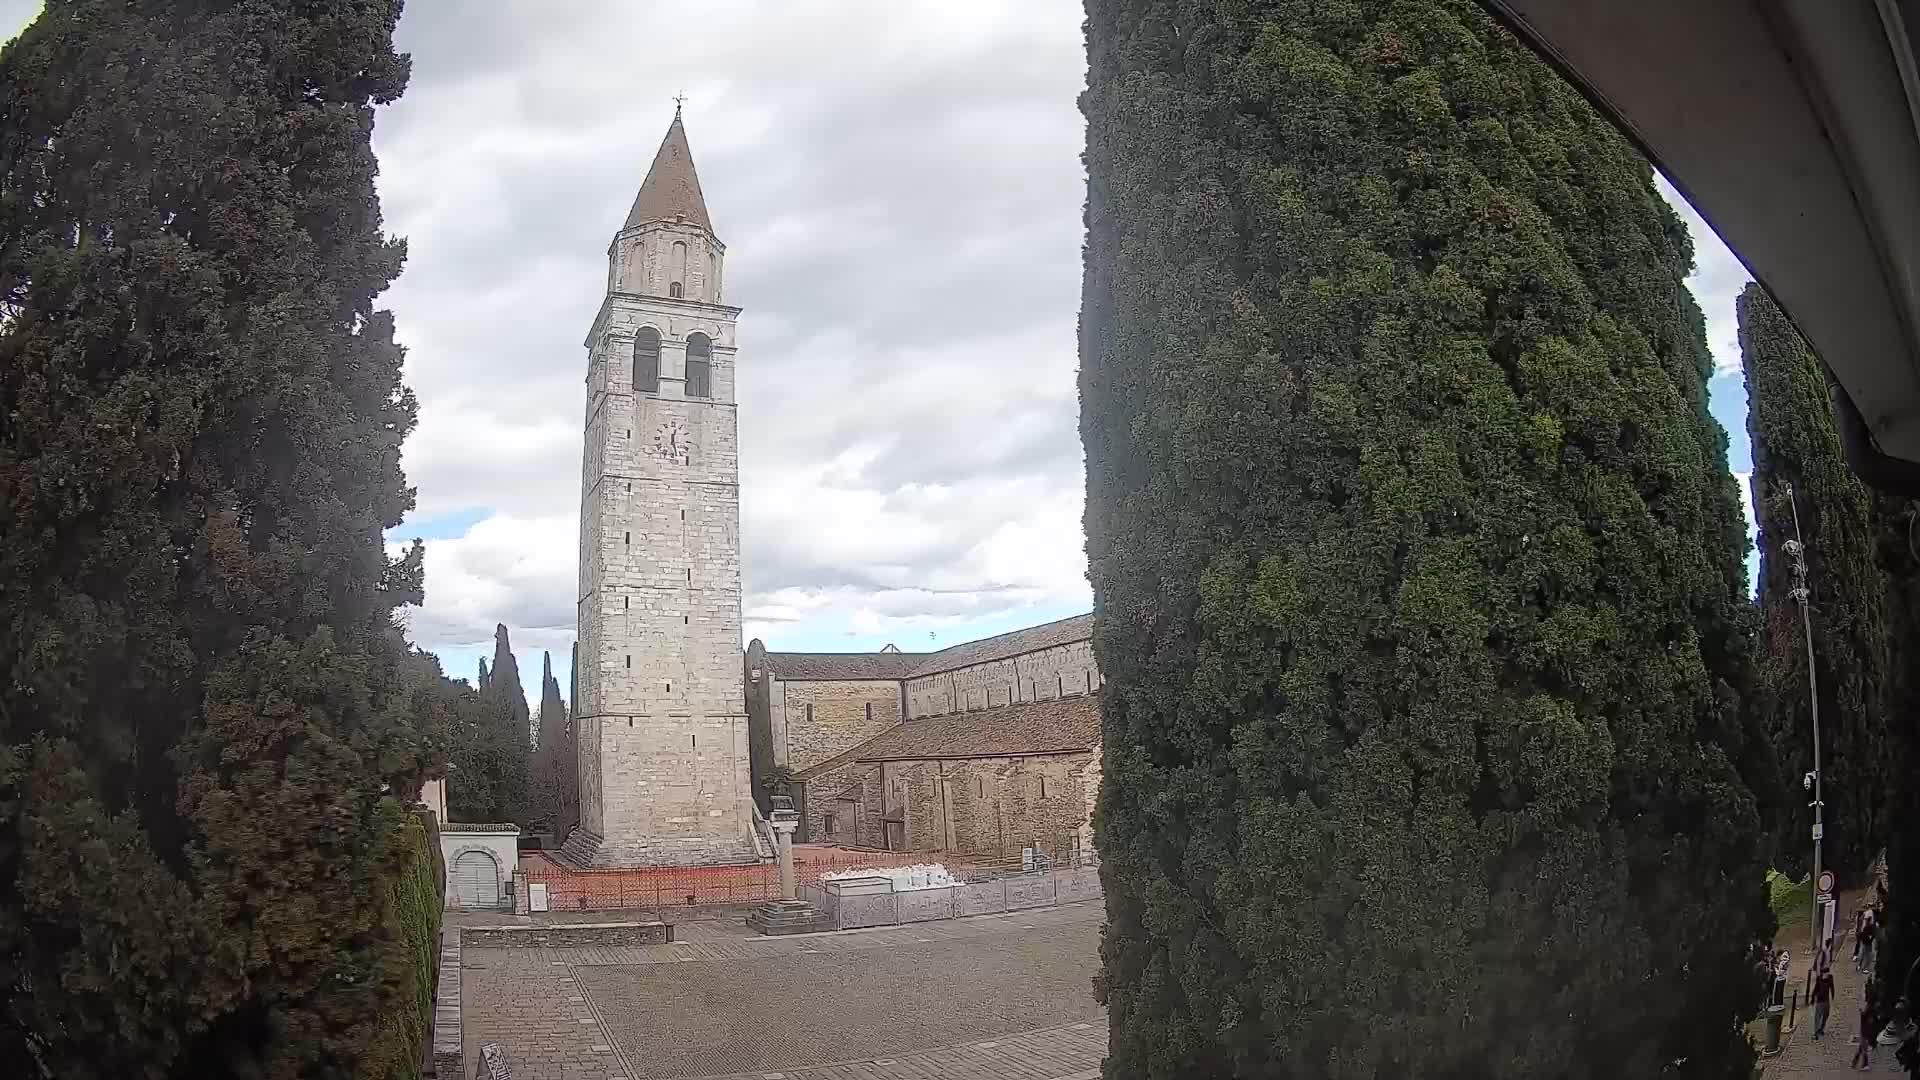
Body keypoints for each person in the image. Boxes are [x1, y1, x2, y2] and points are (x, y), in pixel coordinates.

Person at [1855, 982, 1879, 1071]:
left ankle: (1865, 1063)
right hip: (1867, 1029)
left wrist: (1862, 1014)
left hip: (1866, 1029)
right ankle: (1856, 1059)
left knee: (1863, 1045)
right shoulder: (1872, 1006)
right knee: (1862, 1044)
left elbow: (1866, 1018)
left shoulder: (1870, 1008)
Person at [1813, 963, 1837, 1039]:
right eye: (1825, 973)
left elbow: (1832, 987)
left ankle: (1821, 1029)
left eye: (1827, 972)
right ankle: (1816, 1031)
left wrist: (1833, 995)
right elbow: (1816, 988)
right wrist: (1813, 997)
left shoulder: (1830, 978)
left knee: (1826, 1015)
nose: (1826, 974)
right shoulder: (1819, 978)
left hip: (1826, 1000)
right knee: (1818, 1016)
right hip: (1820, 1000)